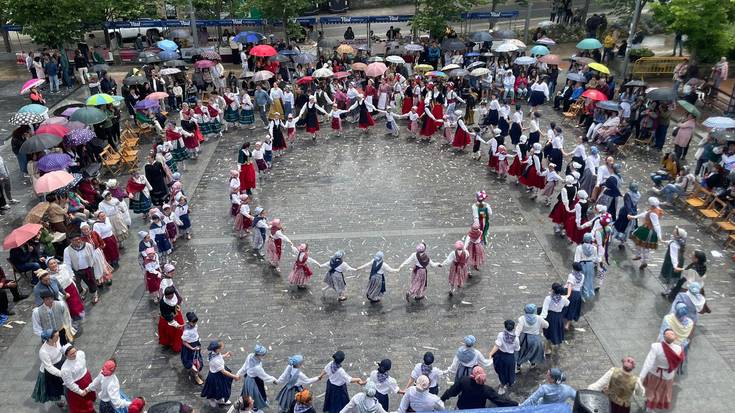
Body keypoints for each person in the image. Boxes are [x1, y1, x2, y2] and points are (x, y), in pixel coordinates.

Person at [639, 330, 684, 412]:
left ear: (675, 337)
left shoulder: (678, 348)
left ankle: (649, 407)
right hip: (658, 374)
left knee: (655, 393)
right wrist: (641, 376)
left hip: (664, 375)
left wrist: (641, 376)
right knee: (653, 392)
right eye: (668, 333)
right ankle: (649, 409)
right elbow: (648, 362)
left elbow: (676, 364)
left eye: (672, 333)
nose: (670, 334)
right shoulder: (656, 346)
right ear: (664, 336)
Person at [440, 365, 517, 408]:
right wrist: (515, 404)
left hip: (462, 407)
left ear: (473, 375)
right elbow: (499, 400)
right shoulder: (487, 390)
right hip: (478, 408)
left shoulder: (464, 380)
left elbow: (452, 392)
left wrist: (441, 399)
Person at [32, 329, 70, 409]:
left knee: (67, 383)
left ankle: (69, 397)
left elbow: (61, 349)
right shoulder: (43, 351)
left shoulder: (57, 340)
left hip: (61, 363)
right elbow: (49, 367)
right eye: (56, 336)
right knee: (56, 388)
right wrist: (61, 373)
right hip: (52, 370)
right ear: (49, 339)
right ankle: (59, 402)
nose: (58, 337)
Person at [237, 344, 278, 412]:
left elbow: (244, 367)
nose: (264, 356)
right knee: (256, 394)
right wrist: (273, 380)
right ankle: (255, 408)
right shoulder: (257, 368)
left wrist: (238, 374)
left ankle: (253, 406)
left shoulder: (250, 356)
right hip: (255, 381)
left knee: (250, 393)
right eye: (263, 355)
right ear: (259, 355)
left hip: (248, 379)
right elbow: (264, 376)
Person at [201, 340, 241, 407]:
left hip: (217, 373)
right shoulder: (216, 361)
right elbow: (224, 372)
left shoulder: (213, 353)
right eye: (222, 346)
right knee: (217, 388)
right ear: (217, 349)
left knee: (219, 388)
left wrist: (225, 355)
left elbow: (219, 356)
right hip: (216, 376)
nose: (223, 346)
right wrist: (234, 376)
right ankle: (212, 399)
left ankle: (220, 400)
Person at [628, 197, 663, 269]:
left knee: (644, 246)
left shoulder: (653, 213)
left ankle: (643, 260)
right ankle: (640, 258)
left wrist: (659, 236)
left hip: (647, 230)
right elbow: (645, 214)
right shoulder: (657, 209)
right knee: (641, 244)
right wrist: (634, 217)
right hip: (646, 228)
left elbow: (656, 225)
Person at [487, 320, 520, 395]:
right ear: (513, 328)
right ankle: (508, 383)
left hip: (500, 356)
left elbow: (497, 346)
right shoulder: (516, 338)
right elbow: (517, 349)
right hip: (510, 358)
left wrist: (490, 354)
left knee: (501, 372)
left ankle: (502, 387)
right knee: (509, 372)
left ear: (505, 326)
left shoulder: (501, 335)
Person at [61, 346, 97, 413]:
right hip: (78, 385)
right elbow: (70, 384)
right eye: (72, 354)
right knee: (82, 405)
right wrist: (80, 392)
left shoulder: (80, 354)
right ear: (66, 355)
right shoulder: (65, 369)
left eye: (75, 351)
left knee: (90, 395)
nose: (75, 354)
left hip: (87, 379)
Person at [181, 311, 204, 385]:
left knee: (197, 360)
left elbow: (195, 333)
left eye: (195, 322)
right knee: (192, 362)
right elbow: (184, 342)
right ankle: (196, 376)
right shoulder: (186, 332)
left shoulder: (195, 326)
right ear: (189, 321)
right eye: (193, 323)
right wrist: (191, 348)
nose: (194, 324)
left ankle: (195, 373)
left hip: (196, 344)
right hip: (189, 348)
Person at [158, 286, 184, 353]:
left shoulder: (174, 292)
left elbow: (178, 300)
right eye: (168, 296)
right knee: (169, 333)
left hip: (176, 314)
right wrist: (176, 324)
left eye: (171, 295)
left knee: (178, 332)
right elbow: (167, 316)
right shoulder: (163, 303)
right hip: (168, 320)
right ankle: (171, 344)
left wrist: (178, 306)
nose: (169, 297)